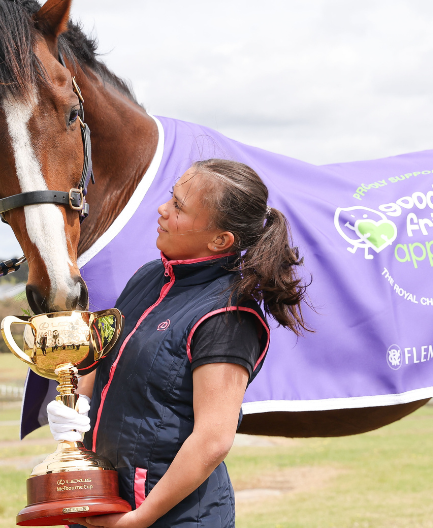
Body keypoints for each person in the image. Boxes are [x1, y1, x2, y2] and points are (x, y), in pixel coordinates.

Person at [47, 159, 311, 528]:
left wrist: (139, 518)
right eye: (171, 197)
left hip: (170, 518)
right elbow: (103, 361)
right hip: (104, 501)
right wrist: (74, 407)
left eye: (179, 207)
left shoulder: (229, 315)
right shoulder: (149, 276)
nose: (162, 209)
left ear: (221, 240)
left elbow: (213, 440)